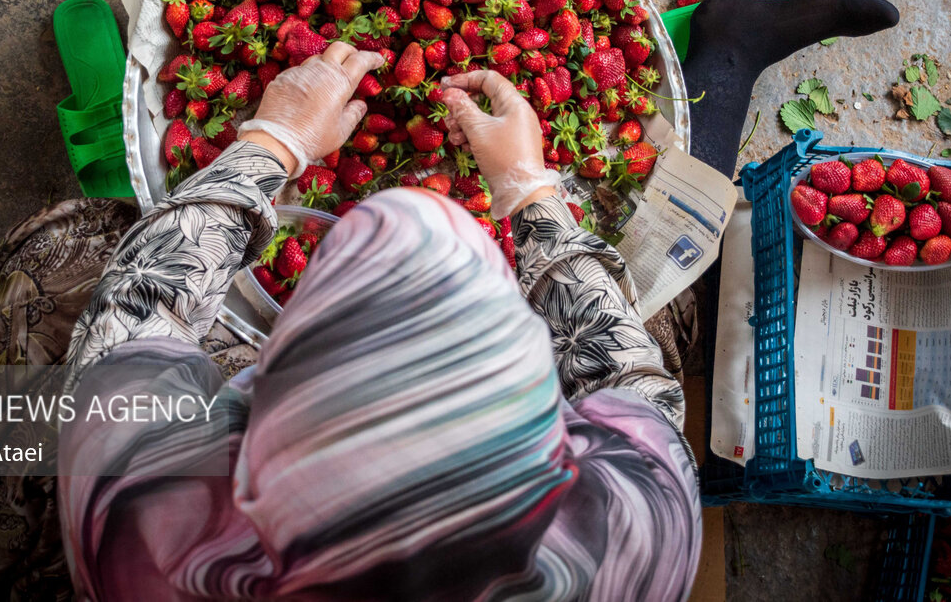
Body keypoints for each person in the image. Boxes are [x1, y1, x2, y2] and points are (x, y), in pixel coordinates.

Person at [58, 41, 701, 601]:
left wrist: (271, 142)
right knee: (668, 308)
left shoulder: (141, 538)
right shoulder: (640, 535)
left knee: (62, 253)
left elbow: (131, 316)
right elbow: (633, 378)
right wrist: (529, 191)